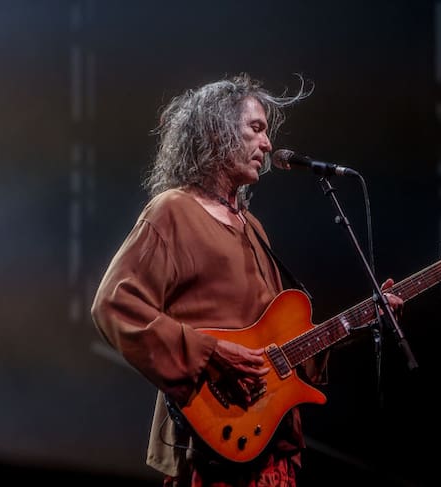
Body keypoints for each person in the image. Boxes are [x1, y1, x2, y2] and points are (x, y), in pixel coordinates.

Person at [91, 73, 404, 487]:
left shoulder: (253, 227)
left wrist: (356, 324)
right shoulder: (172, 211)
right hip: (210, 443)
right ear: (216, 132)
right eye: (256, 128)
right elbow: (114, 305)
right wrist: (210, 352)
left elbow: (281, 348)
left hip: (269, 444)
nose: (268, 144)